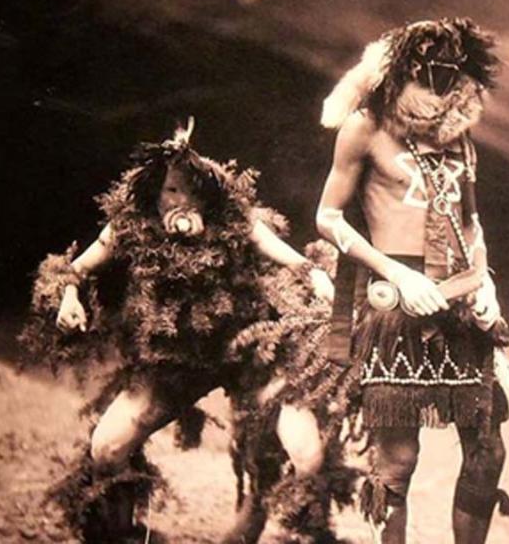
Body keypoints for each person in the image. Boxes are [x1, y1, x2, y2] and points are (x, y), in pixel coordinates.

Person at [21, 120, 335, 543]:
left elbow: (295, 261)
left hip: (247, 353)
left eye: (193, 191)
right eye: (172, 190)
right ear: (155, 191)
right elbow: (71, 271)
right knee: (107, 448)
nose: (182, 201)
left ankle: (262, 510)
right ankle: (123, 533)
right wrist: (69, 298)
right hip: (172, 365)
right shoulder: (129, 224)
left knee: (307, 454)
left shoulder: (235, 219)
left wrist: (317, 276)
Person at [315, 18, 509, 544]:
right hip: (396, 310)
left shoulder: (459, 137)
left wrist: (486, 284)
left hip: (461, 305)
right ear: (404, 69)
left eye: (451, 72)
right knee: (398, 461)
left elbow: (471, 222)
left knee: (487, 450)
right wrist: (397, 274)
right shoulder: (366, 126)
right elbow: (328, 218)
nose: (440, 82)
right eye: (429, 70)